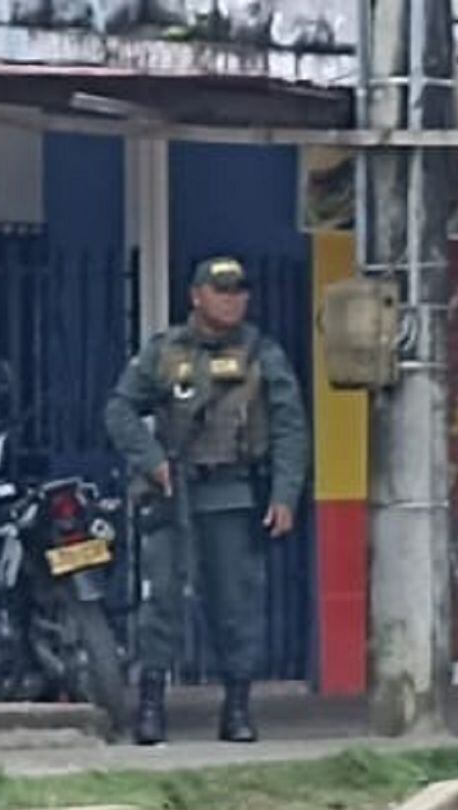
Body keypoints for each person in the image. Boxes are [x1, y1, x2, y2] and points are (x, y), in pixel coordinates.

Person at [103, 256, 311, 746]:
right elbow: (119, 409)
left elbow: (290, 427)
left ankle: (237, 708)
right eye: (221, 291)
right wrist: (152, 459)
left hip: (232, 496)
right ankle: (151, 706)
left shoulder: (262, 354)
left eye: (239, 291)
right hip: (172, 494)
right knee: (162, 600)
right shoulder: (164, 351)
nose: (232, 300)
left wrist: (285, 495)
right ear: (196, 296)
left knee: (235, 604)